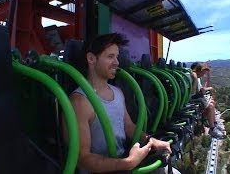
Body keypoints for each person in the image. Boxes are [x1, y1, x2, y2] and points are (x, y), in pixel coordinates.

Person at [69, 33, 177, 173]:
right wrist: (128, 163)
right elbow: (82, 159)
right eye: (110, 56)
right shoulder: (79, 101)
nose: (117, 62)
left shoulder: (118, 92)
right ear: (91, 58)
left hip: (123, 164)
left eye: (116, 57)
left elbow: (129, 128)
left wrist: (152, 141)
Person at [190, 62, 225, 139]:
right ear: (198, 70)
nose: (203, 75)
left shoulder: (197, 78)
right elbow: (192, 93)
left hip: (196, 97)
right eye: (203, 73)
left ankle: (214, 124)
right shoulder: (193, 77)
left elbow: (198, 89)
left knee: (212, 103)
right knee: (210, 106)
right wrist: (195, 80)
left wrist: (204, 89)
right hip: (192, 100)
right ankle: (212, 129)